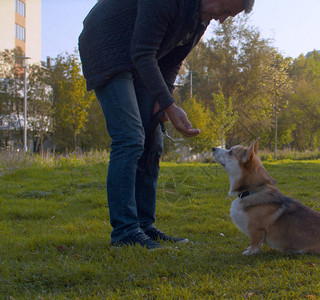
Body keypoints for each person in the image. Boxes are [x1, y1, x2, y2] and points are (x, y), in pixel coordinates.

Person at [78, 0, 255, 249]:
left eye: (229, 16)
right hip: (108, 45)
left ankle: (144, 226)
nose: (222, 19)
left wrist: (163, 100)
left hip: (138, 57)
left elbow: (172, 60)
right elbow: (143, 52)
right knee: (130, 138)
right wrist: (169, 104)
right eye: (225, 10)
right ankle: (125, 232)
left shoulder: (199, 20)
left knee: (152, 140)